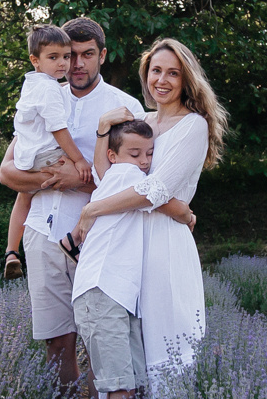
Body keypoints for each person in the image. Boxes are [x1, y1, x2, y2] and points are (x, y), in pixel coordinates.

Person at [0, 17, 143, 393]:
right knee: (57, 342)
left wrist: (79, 180)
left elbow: (138, 183)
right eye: (68, 55)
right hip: (41, 232)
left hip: (97, 238)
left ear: (102, 55)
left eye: (86, 55)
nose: (75, 64)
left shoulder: (125, 108)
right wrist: (55, 179)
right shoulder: (43, 95)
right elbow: (7, 173)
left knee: (100, 341)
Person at [70, 37, 226, 374]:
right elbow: (108, 177)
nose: (162, 80)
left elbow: (154, 190)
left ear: (186, 80)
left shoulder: (193, 125)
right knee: (130, 352)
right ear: (146, 74)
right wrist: (102, 130)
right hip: (128, 244)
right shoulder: (141, 122)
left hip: (163, 245)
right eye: (156, 71)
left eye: (173, 73)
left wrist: (93, 209)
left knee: (167, 345)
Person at [67, 117, 155, 399]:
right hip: (102, 291)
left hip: (114, 293)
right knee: (119, 388)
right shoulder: (124, 177)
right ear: (115, 157)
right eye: (135, 153)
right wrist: (186, 213)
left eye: (150, 153)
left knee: (127, 387)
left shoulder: (113, 179)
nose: (144, 161)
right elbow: (158, 193)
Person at [2, 25, 91, 281]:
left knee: (24, 196)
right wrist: (78, 160)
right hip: (45, 154)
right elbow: (58, 129)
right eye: (53, 57)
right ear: (35, 60)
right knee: (88, 180)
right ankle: (73, 240)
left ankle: (11, 251)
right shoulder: (50, 89)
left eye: (66, 56)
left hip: (26, 155)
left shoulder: (32, 82)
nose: (62, 63)